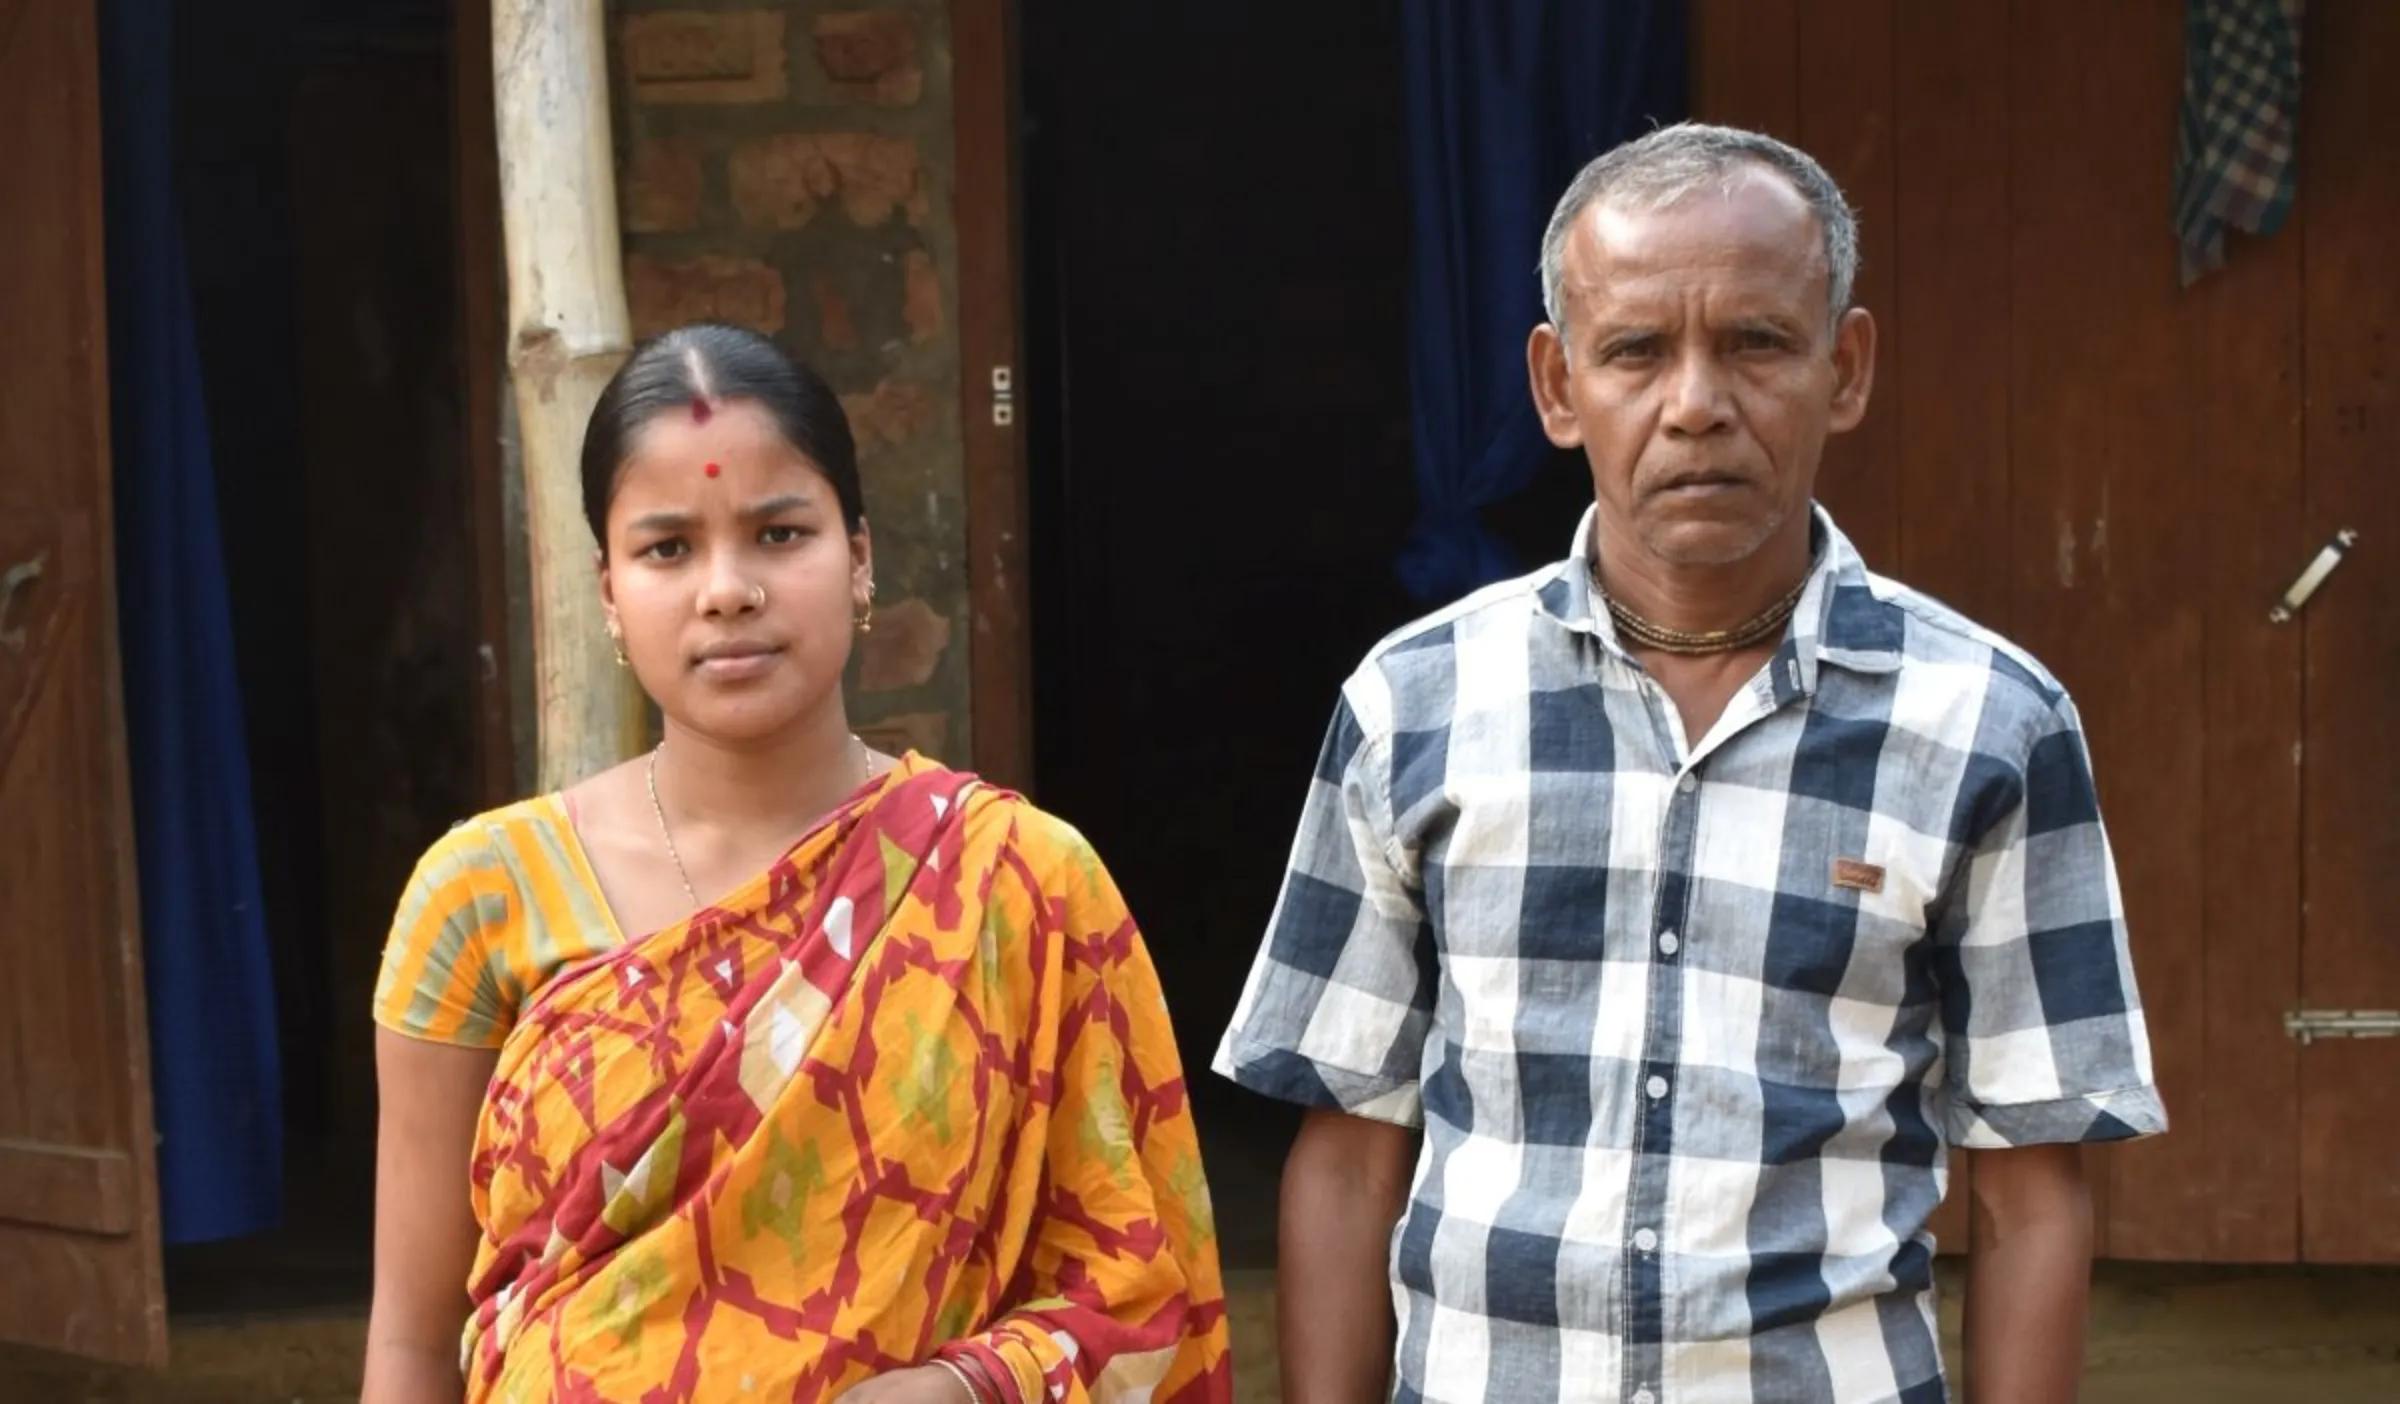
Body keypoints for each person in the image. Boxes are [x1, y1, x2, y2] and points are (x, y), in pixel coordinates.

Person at [1216, 123, 2165, 1404]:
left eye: (1760, 343)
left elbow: (2033, 1193)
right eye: (1636, 351)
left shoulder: (1990, 723)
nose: (1697, 403)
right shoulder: (1413, 705)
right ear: (1558, 387)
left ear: (1848, 367)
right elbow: (1345, 1155)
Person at [364, 323, 1230, 1404]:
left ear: (859, 557)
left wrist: (965, 1389)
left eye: (779, 535)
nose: (726, 590)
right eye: (668, 548)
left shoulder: (1018, 882)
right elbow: (409, 1339)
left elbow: (1141, 1285)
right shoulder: (479, 894)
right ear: (606, 591)